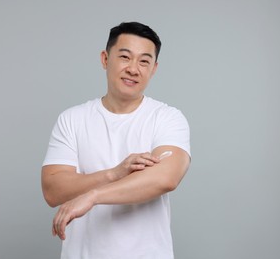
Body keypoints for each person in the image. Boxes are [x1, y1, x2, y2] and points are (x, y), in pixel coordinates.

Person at [41, 21, 191, 259]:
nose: (134, 69)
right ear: (105, 59)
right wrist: (114, 173)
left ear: (154, 69)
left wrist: (92, 196)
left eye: (144, 61)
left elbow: (166, 178)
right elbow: (53, 190)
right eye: (125, 57)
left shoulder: (167, 118)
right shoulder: (72, 119)